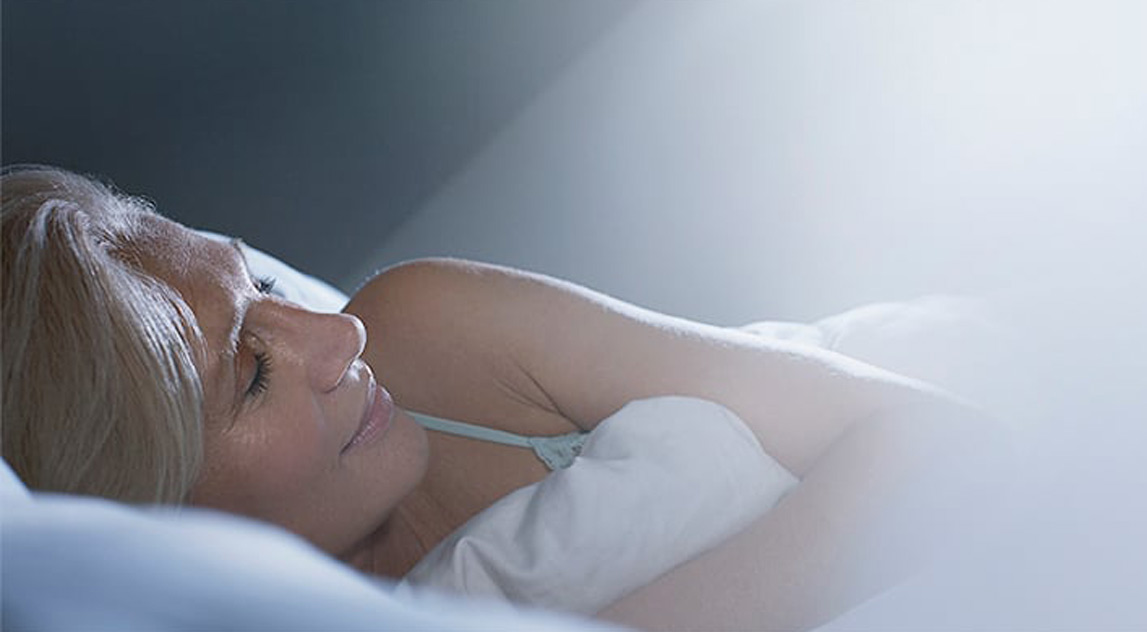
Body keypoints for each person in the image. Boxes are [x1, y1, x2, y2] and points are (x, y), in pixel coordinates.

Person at [1, 165, 1007, 631]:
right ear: (150, 508)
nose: (337, 332)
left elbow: (935, 434)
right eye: (250, 368)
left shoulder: (425, 330)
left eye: (262, 289)